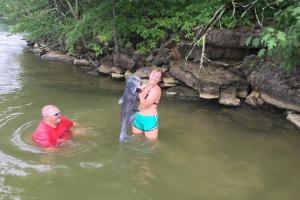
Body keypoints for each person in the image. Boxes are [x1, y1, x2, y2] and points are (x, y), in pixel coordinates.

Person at [132, 68, 162, 140]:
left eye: (157, 77)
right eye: (153, 75)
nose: (154, 78)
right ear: (150, 75)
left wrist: (139, 93)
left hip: (149, 119)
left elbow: (145, 105)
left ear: (159, 79)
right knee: (136, 138)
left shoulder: (157, 90)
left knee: (152, 143)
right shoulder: (145, 85)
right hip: (137, 117)